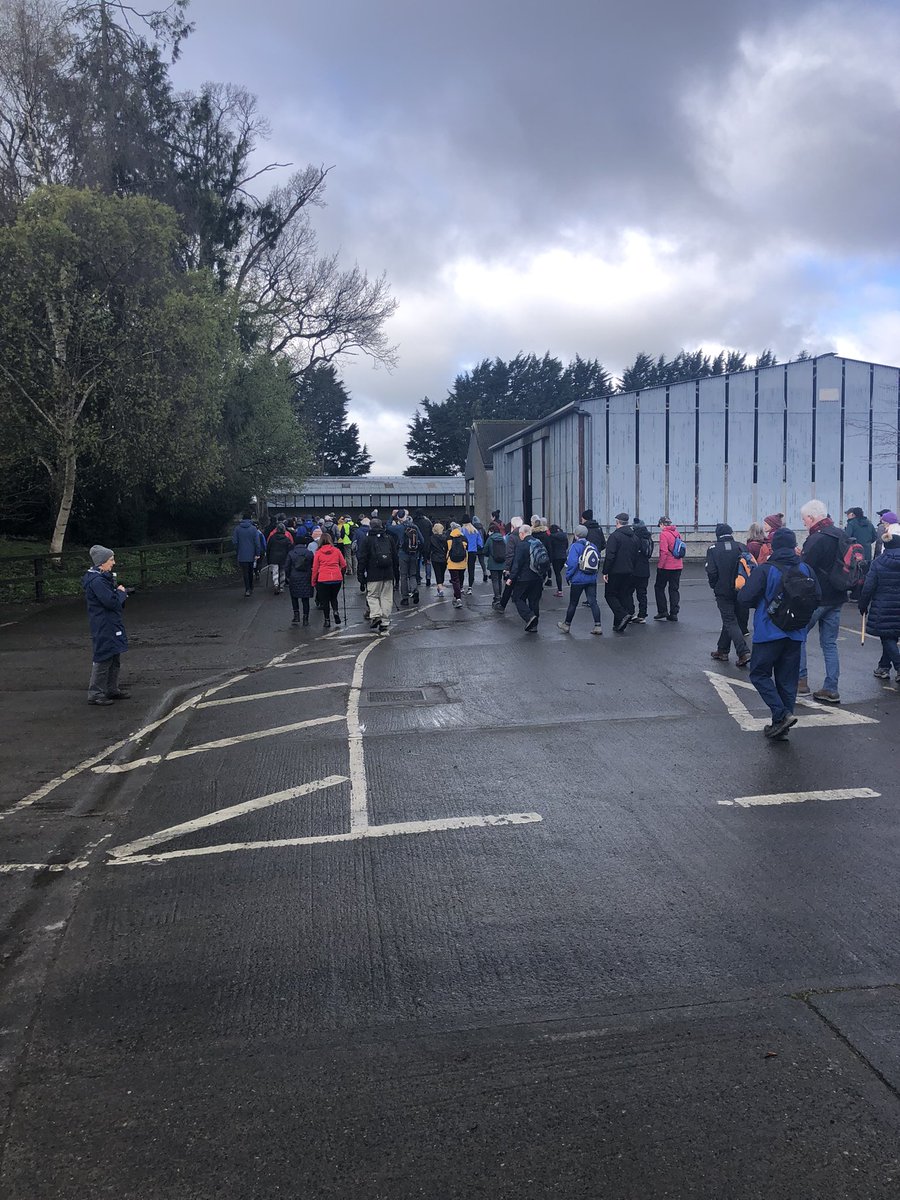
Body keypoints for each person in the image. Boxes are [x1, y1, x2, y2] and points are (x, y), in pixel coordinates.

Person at [738, 527, 820, 740]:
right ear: (794, 546)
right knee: (786, 679)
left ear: (772, 547)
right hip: (796, 633)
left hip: (769, 631)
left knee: (759, 674)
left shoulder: (765, 570)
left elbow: (744, 598)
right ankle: (781, 724)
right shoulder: (807, 569)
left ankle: (780, 714)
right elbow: (817, 598)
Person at [797, 499, 846, 703]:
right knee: (829, 643)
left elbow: (805, 569)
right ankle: (831, 687)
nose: (804, 523)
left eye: (804, 519)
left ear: (812, 517)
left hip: (817, 598)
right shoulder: (841, 534)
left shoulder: (816, 539)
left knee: (798, 635)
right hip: (837, 596)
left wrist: (800, 555)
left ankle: (800, 682)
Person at [82, 545, 130, 705]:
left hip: (110, 622)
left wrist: (118, 593)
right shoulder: (97, 581)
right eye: (111, 560)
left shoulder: (102, 578)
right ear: (101, 563)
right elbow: (111, 602)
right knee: (103, 657)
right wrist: (122, 593)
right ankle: (95, 693)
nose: (113, 562)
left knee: (114, 655)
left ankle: (111, 688)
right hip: (104, 623)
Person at [859, 523, 900, 685]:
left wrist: (863, 605)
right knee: (891, 635)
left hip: (884, 605)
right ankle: (883, 666)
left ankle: (898, 666)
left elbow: (868, 586)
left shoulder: (879, 562)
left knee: (887, 636)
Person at [705, 523, 751, 667]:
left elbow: (711, 571)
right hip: (741, 588)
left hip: (723, 590)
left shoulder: (713, 549)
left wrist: (714, 585)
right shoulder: (741, 546)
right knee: (731, 619)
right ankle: (722, 650)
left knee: (730, 620)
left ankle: (743, 652)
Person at [558, 525, 603, 634]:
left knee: (573, 603)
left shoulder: (575, 546)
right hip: (591, 578)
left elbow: (572, 563)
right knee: (593, 602)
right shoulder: (592, 546)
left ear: (576, 535)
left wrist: (568, 576)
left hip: (578, 579)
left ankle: (567, 624)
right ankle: (598, 626)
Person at [357, 518, 398, 634]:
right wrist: (396, 574)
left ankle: (376, 615)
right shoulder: (389, 538)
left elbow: (362, 558)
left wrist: (360, 574)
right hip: (388, 573)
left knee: (373, 596)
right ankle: (385, 622)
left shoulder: (367, 540)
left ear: (370, 526)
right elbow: (395, 557)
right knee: (386, 597)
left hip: (373, 573)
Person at [602, 513, 639, 632]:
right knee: (622, 595)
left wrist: (605, 571)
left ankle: (623, 615)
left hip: (615, 571)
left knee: (610, 595)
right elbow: (636, 555)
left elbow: (610, 556)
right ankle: (618, 624)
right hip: (629, 571)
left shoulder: (615, 536)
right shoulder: (634, 537)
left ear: (617, 522)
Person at [508, 523, 547, 631]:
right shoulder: (538, 542)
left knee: (517, 598)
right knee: (534, 601)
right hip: (537, 576)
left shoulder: (522, 545)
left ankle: (529, 617)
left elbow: (517, 563)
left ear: (522, 533)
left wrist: (511, 578)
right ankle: (534, 626)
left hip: (524, 577)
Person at [310, 531, 346, 629]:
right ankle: (335, 611)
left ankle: (327, 620)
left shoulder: (318, 553)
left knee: (325, 600)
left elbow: (315, 568)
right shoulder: (337, 551)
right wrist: (341, 573)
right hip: (336, 578)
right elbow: (343, 564)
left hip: (323, 579)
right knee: (333, 597)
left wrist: (313, 581)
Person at [654, 516, 683, 621]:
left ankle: (662, 611)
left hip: (667, 566)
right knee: (674, 589)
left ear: (662, 524)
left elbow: (664, 552)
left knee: (659, 587)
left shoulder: (663, 534)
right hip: (678, 565)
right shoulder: (677, 533)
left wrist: (660, 566)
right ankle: (674, 613)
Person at [284, 532, 315, 626]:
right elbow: (313, 565)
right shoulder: (309, 553)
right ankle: (306, 618)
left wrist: (288, 576)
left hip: (294, 577)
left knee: (294, 597)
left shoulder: (291, 553)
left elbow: (287, 567)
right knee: (305, 599)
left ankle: (296, 615)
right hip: (306, 577)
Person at [233, 512, 265, 596]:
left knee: (245, 572)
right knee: (251, 571)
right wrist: (257, 553)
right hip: (252, 554)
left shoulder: (237, 529)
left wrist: (238, 551)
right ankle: (251, 587)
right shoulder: (254, 529)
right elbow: (257, 543)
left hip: (242, 553)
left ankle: (247, 588)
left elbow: (235, 542)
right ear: (250, 518)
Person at [497, 516, 522, 613]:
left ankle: (502, 605)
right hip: (524, 566)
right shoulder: (525, 535)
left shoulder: (511, 537)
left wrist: (507, 568)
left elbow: (509, 554)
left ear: (512, 525)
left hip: (514, 566)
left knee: (509, 585)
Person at [630, 517, 654, 622]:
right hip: (645, 569)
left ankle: (631, 613)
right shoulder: (649, 538)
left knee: (628, 592)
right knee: (642, 593)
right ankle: (642, 615)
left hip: (634, 569)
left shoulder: (634, 538)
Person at [397, 516, 421, 607]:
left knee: (403, 576)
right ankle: (414, 589)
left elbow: (388, 527)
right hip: (413, 554)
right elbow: (421, 541)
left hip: (403, 554)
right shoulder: (415, 528)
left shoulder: (400, 528)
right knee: (412, 575)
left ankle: (405, 598)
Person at [265, 522, 293, 594]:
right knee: (282, 572)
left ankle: (276, 584)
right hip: (284, 558)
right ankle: (281, 586)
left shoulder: (272, 538)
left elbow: (268, 549)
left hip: (273, 558)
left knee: (275, 572)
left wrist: (268, 559)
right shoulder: (287, 539)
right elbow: (290, 549)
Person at [484, 524, 508, 606]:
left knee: (495, 580)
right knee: (500, 580)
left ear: (491, 531)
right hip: (502, 563)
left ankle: (497, 597)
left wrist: (489, 555)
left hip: (493, 563)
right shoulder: (503, 538)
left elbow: (485, 550)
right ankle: (499, 596)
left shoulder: (490, 539)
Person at [446, 522, 469, 607]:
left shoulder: (448, 538)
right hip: (462, 562)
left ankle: (458, 598)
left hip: (452, 563)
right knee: (460, 578)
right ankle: (457, 595)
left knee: (455, 580)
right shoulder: (464, 538)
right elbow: (467, 549)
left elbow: (446, 550)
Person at [413, 510, 434, 585]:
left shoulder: (414, 523)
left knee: (417, 562)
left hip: (417, 545)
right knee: (427, 562)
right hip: (427, 545)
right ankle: (428, 578)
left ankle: (418, 578)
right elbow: (431, 534)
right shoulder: (427, 522)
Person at [463, 521, 484, 593]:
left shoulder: (462, 530)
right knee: (471, 570)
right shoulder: (475, 531)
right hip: (473, 552)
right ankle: (470, 587)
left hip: (464, 552)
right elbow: (480, 543)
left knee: (461, 569)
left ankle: (461, 587)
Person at [548, 524, 569, 596]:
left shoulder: (551, 537)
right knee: (558, 572)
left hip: (555, 557)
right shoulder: (564, 536)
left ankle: (560, 590)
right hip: (563, 556)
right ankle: (559, 590)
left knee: (557, 574)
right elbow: (566, 546)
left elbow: (550, 547)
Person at [430, 522, 449, 599]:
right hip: (444, 557)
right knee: (442, 573)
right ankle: (440, 586)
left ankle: (440, 589)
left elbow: (429, 548)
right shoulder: (445, 538)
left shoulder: (431, 538)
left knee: (437, 573)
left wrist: (427, 557)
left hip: (435, 557)